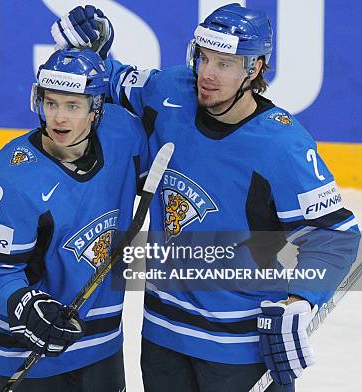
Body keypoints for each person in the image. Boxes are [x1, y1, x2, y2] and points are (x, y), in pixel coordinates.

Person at [52, 4, 360, 391]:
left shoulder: (282, 146)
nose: (208, 74)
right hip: (163, 336)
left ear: (255, 68)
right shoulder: (170, 93)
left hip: (242, 347)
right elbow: (111, 82)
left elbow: (337, 235)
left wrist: (301, 299)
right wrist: (90, 48)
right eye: (205, 58)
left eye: (225, 64)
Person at [0, 48, 148, 391]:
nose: (59, 119)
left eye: (73, 106)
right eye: (52, 104)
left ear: (96, 110)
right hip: (17, 354)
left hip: (99, 345)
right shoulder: (11, 176)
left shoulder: (124, 135)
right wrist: (24, 305)